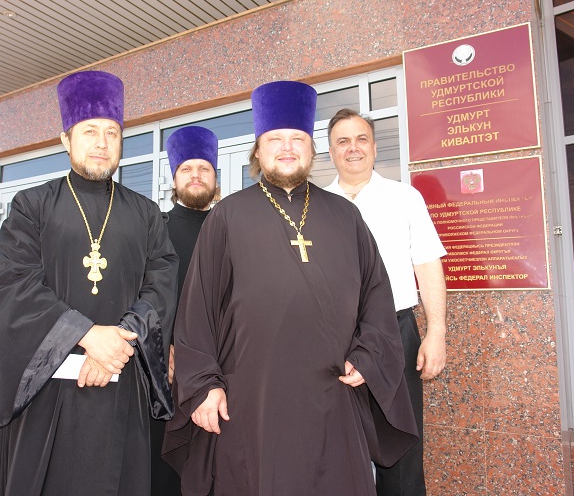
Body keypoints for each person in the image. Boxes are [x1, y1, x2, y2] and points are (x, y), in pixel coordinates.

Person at [162, 80, 418, 496]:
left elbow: (376, 296)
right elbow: (198, 311)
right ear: (258, 151)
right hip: (252, 400)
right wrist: (204, 385)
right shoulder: (227, 217)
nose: (286, 148)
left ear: (311, 149)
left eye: (297, 138)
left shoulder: (346, 216)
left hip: (334, 395)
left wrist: (369, 355)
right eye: (274, 139)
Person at [0, 70, 178, 496]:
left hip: (121, 382)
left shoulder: (146, 214)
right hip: (47, 389)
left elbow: (161, 283)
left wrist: (118, 343)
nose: (102, 143)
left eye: (112, 133)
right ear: (66, 140)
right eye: (90, 131)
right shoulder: (32, 206)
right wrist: (87, 335)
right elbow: (12, 285)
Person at [324, 108, 447, 495]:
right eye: (343, 141)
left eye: (361, 139)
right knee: (337, 444)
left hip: (395, 331)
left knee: (400, 444)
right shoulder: (316, 205)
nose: (353, 148)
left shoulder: (404, 197)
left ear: (375, 147)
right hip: (333, 338)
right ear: (331, 151)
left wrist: (437, 333)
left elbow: (427, 264)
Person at [151, 126, 219, 496]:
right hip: (168, 372)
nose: (196, 175)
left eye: (204, 168)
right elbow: (142, 297)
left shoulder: (231, 229)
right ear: (174, 179)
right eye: (186, 169)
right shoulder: (155, 230)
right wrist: (161, 347)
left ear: (215, 177)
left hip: (221, 371)